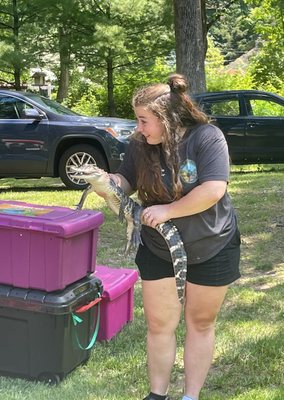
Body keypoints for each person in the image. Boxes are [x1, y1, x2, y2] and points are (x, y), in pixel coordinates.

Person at [107, 74, 241, 400]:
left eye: (144, 120)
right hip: (158, 247)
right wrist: (105, 182)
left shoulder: (206, 137)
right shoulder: (141, 144)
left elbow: (213, 189)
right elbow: (125, 181)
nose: (138, 128)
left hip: (212, 243)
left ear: (166, 118)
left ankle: (190, 396)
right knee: (159, 324)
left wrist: (169, 210)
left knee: (200, 323)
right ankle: (157, 394)